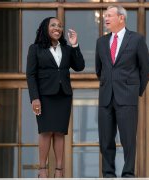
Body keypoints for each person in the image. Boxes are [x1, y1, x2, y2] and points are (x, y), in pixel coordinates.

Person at [95, 5, 149, 178]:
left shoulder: (136, 40)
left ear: (121, 18)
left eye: (110, 15)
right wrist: (107, 85)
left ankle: (128, 173)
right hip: (106, 98)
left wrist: (135, 91)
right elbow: (99, 69)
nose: (106, 18)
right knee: (105, 140)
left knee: (128, 140)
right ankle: (108, 173)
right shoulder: (101, 42)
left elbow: (145, 69)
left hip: (127, 97)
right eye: (105, 16)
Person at [26, 17, 85, 178]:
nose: (57, 28)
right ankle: (43, 170)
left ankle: (59, 171)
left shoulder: (66, 48)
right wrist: (34, 98)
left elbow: (79, 66)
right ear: (46, 28)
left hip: (63, 95)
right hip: (44, 96)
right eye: (53, 25)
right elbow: (30, 76)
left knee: (59, 132)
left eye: (59, 26)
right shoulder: (35, 49)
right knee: (45, 131)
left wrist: (74, 45)